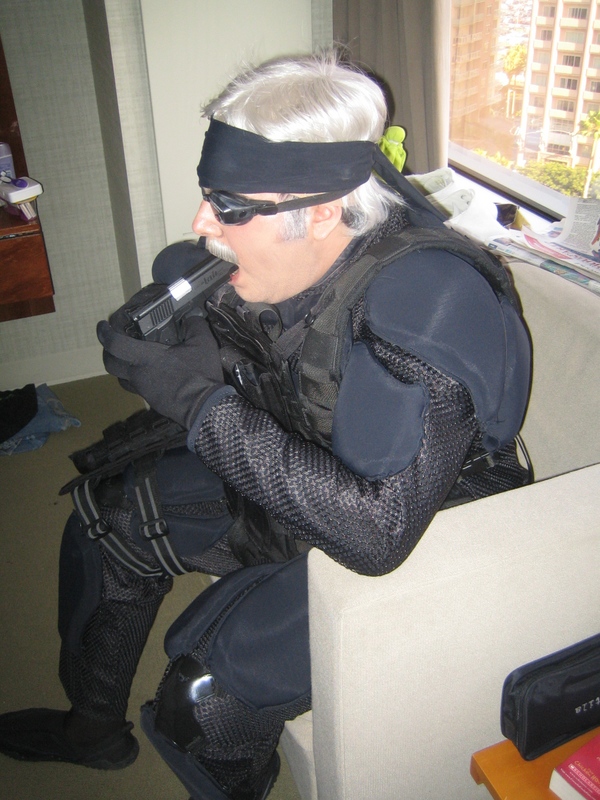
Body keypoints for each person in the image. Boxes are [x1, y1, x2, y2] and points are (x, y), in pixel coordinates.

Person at [0, 52, 532, 800]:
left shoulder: (428, 301)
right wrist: (186, 346)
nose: (202, 224)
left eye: (230, 205)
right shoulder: (273, 261)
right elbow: (280, 362)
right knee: (110, 516)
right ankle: (91, 730)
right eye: (207, 198)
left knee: (206, 701)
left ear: (323, 209)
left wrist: (195, 401)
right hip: (306, 462)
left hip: (429, 523)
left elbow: (377, 533)